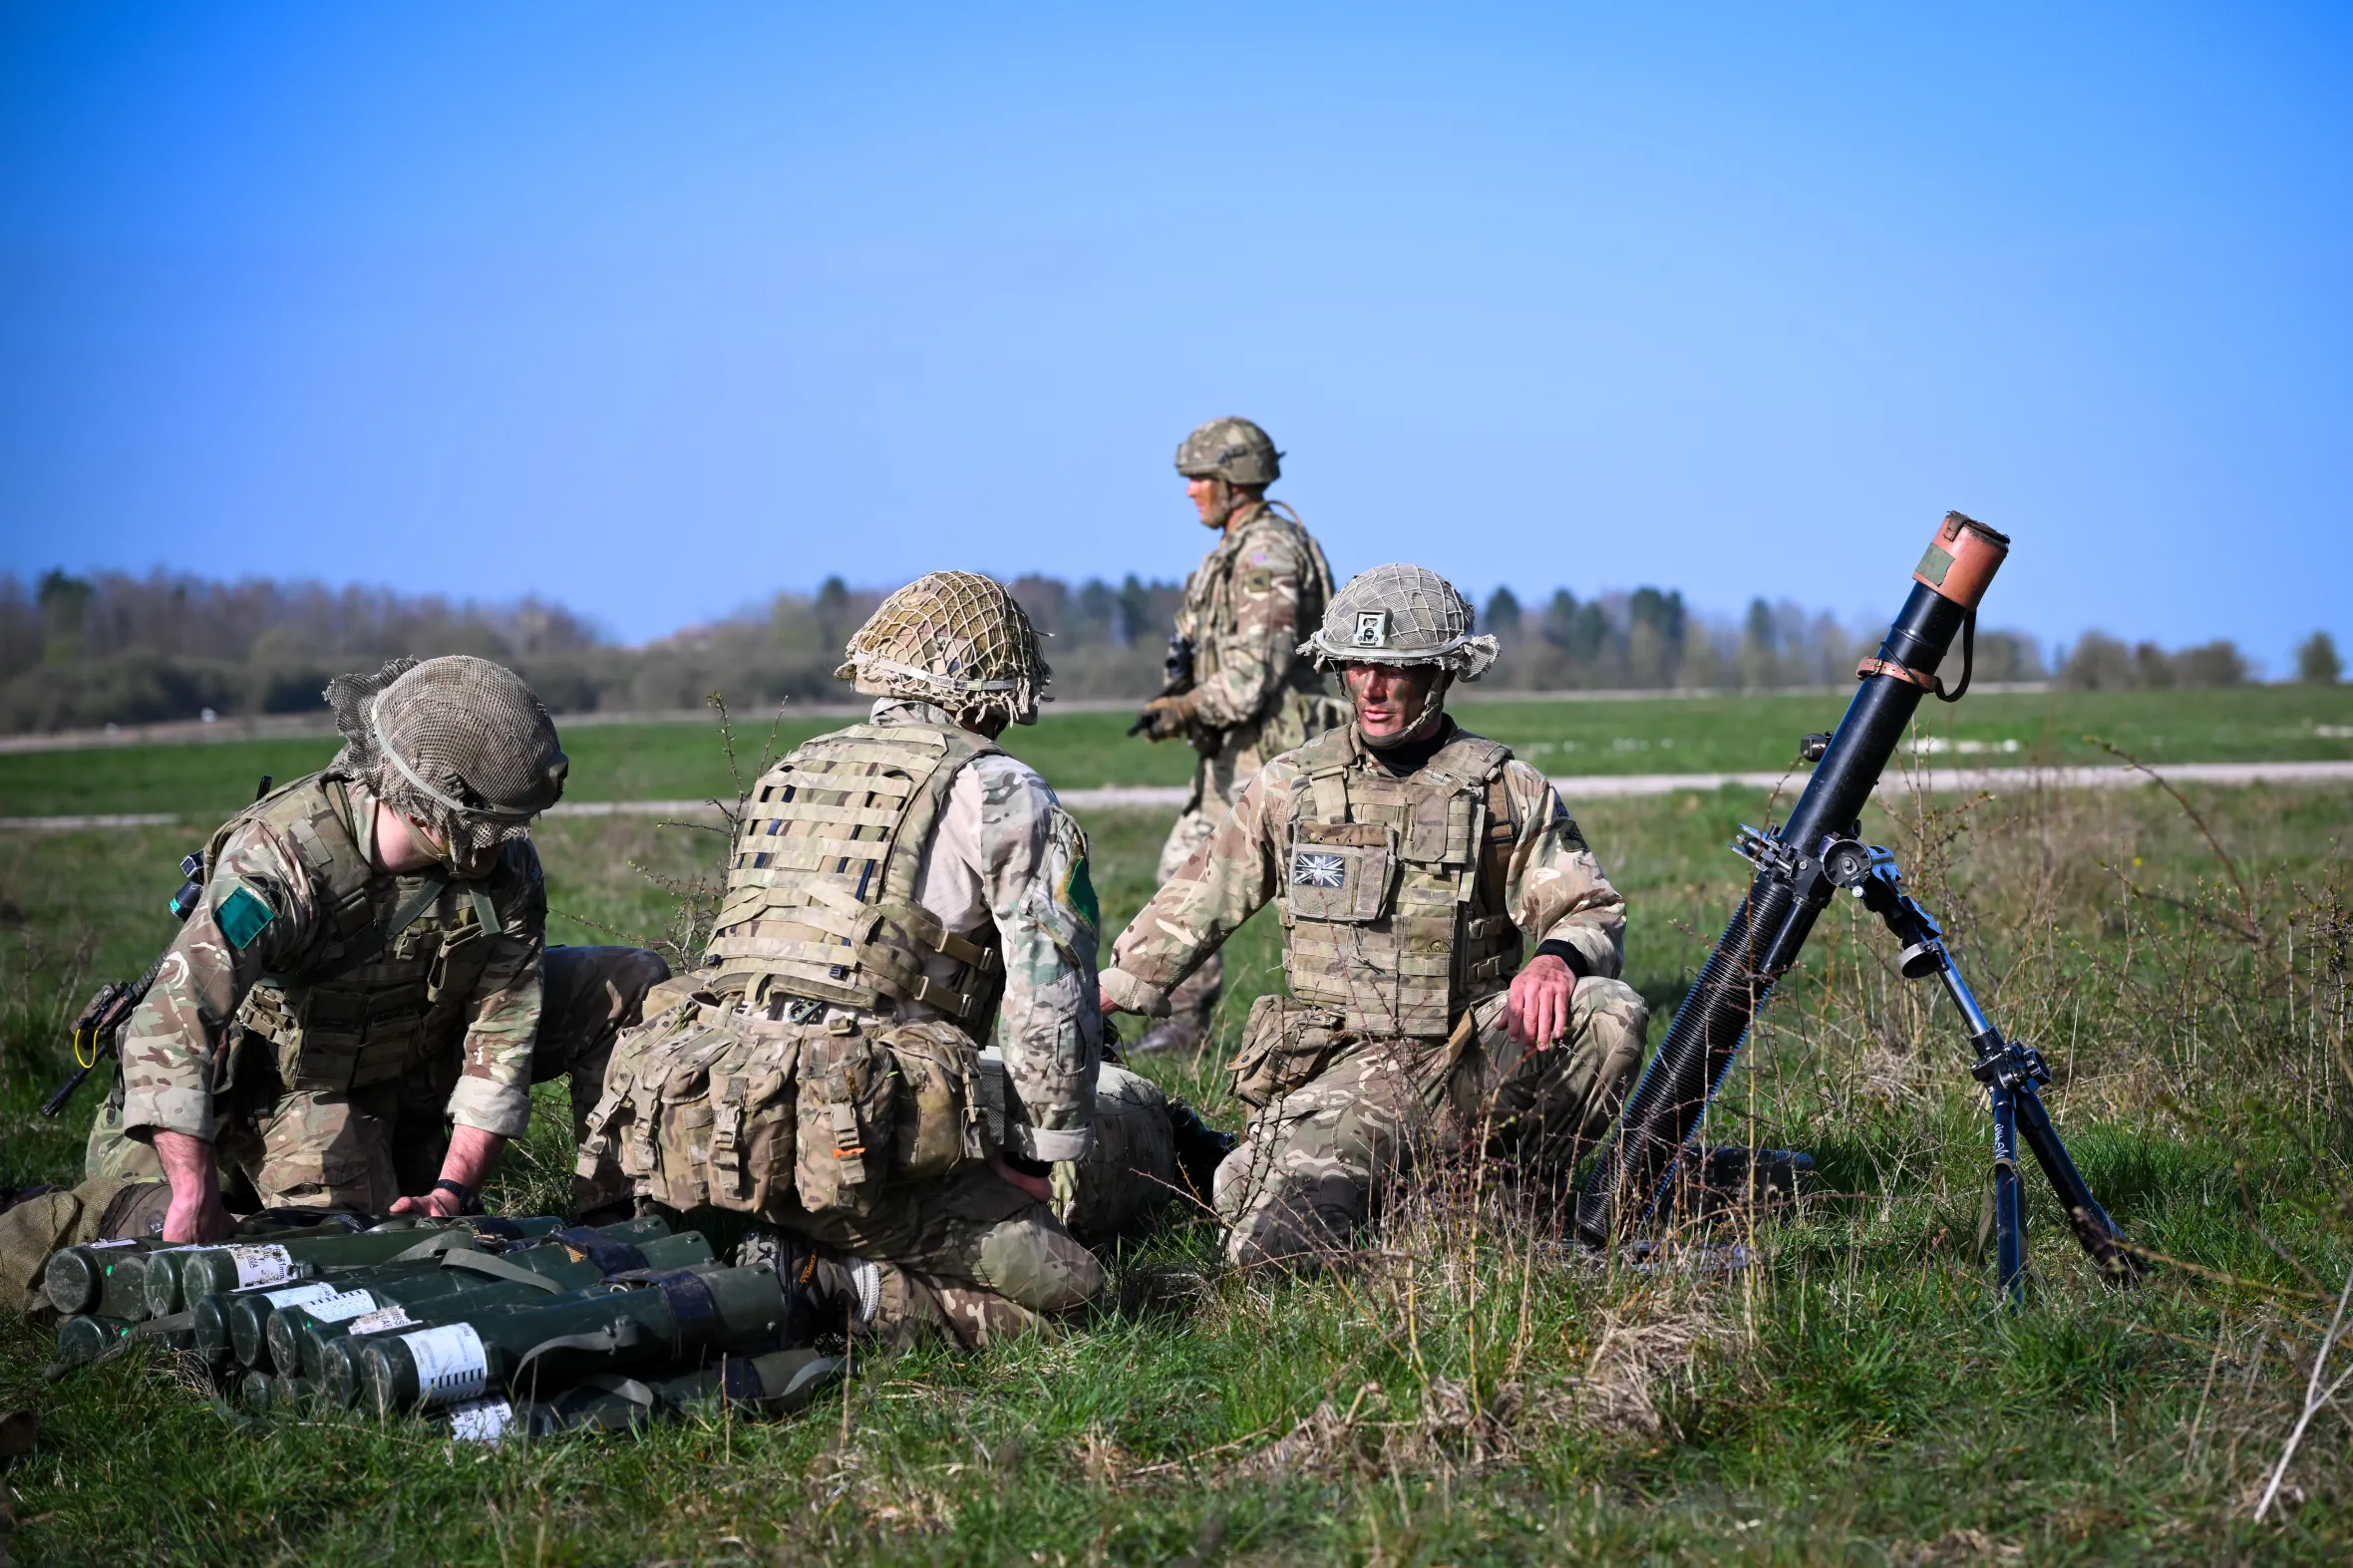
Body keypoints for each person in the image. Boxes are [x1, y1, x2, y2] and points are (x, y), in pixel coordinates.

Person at [580, 572, 1134, 1349]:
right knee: (1076, 1290)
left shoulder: (798, 766)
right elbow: (1052, 991)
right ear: (993, 691)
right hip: (859, 1132)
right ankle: (841, 1288)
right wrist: (1036, 1156)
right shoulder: (1000, 787)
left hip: (713, 1117)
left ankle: (716, 1245)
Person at [1099, 565, 1650, 1268]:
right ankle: (1354, 1189)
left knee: (1609, 1012)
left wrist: (1556, 959)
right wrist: (1105, 991)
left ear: (1441, 674)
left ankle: (1513, 1193)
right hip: (1344, 1073)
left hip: (1470, 1053)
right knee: (1269, 1247)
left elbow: (1589, 906)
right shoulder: (1290, 786)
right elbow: (1198, 901)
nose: (1371, 687)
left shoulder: (1504, 789)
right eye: (1356, 665)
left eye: (1395, 669)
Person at [97, 655, 668, 1243]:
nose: (513, 840)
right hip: (295, 1088)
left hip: (414, 1050)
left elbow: (505, 1032)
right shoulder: (280, 861)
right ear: (444, 807)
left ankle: (618, 1224)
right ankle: (206, 1200)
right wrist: (193, 1194)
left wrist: (453, 1192)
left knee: (629, 980)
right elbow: (171, 1024)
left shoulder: (503, 868)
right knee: (367, 1253)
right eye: (498, 826)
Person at [1129, 417, 1342, 1054]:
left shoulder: (1265, 553)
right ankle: (1183, 1026)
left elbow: (1255, 677)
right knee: (1182, 882)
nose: (1192, 490)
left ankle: (1341, 1025)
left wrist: (1184, 708)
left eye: (1200, 478)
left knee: (1317, 897)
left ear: (1234, 478)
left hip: (1276, 762)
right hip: (1233, 764)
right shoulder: (1231, 550)